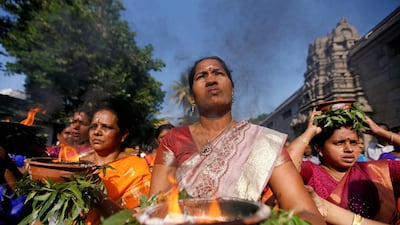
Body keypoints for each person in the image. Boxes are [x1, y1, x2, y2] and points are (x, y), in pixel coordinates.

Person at [149, 56, 325, 224]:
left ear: (232, 90)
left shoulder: (263, 141)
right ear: (192, 98)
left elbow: (305, 211)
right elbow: (153, 207)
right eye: (201, 76)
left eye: (218, 73)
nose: (211, 80)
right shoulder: (174, 139)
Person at [287, 106, 400, 224]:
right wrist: (310, 132)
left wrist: (379, 132)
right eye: (339, 143)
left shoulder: (377, 170)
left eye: (353, 142)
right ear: (319, 147)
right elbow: (283, 166)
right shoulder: (311, 172)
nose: (349, 149)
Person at [81, 98, 151, 210]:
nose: (97, 132)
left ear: (123, 135)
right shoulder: (77, 165)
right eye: (93, 126)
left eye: (106, 127)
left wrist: (98, 198)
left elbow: (137, 214)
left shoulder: (134, 168)